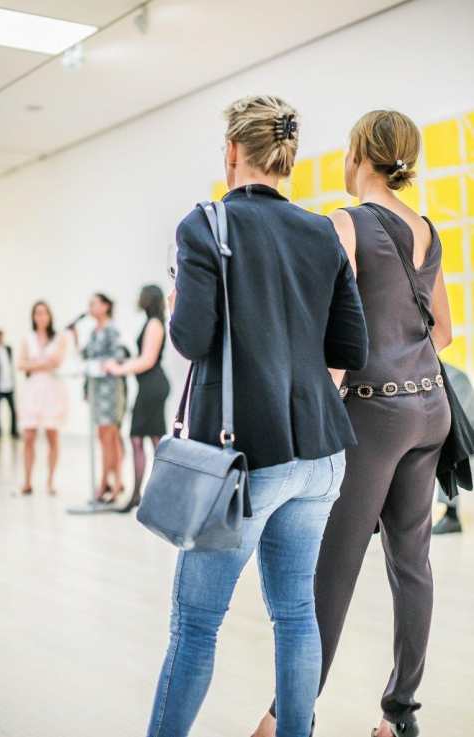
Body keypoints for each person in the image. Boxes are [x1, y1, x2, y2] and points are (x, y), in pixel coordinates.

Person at [144, 95, 368, 737]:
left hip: (245, 460)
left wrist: (178, 295)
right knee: (295, 613)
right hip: (322, 454)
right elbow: (351, 349)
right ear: (286, 158)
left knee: (195, 625)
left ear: (233, 152)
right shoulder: (322, 231)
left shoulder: (205, 225)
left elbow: (190, 339)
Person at [255, 110, 452, 737]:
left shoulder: (346, 223)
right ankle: (400, 717)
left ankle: (287, 716)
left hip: (375, 413)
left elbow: (331, 335)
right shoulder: (426, 228)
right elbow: (443, 332)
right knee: (412, 564)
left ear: (359, 154)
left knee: (332, 570)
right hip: (430, 409)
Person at [103, 285, 170, 513]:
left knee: (142, 439)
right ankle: (148, 495)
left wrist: (118, 369)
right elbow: (143, 358)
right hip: (150, 386)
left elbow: (147, 360)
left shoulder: (154, 324)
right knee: (148, 440)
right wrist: (123, 363)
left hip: (152, 387)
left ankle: (142, 496)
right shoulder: (152, 322)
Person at [18, 302, 68, 494]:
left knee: (52, 435)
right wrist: (42, 362)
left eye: (44, 313)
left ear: (49, 316)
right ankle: (27, 481)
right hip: (32, 391)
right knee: (28, 437)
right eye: (37, 313)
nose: (41, 317)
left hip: (52, 390)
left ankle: (50, 481)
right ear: (33, 316)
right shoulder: (28, 339)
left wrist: (33, 362)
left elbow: (57, 362)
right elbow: (21, 364)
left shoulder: (58, 338)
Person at [81, 294, 126, 503]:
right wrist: (86, 388)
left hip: (110, 388)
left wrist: (102, 364)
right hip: (96, 389)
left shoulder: (111, 329)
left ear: (106, 306)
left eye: (94, 303)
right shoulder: (93, 332)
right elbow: (86, 358)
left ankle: (111, 483)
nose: (90, 307)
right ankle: (111, 481)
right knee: (102, 435)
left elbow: (118, 356)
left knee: (111, 435)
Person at [432, 362, 474, 534]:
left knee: (449, 454)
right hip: (451, 433)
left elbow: (454, 419)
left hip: (465, 435)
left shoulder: (456, 377)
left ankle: (451, 516)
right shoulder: (423, 373)